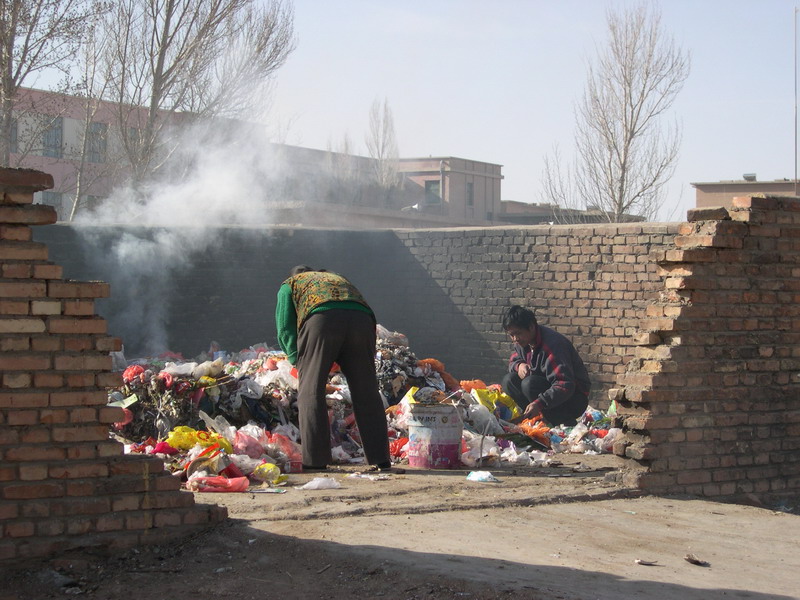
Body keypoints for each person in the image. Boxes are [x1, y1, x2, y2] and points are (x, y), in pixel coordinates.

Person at [275, 265, 393, 472]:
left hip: (322, 319)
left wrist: (298, 360)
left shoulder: (291, 284)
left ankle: (316, 461)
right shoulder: (336, 277)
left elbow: (285, 326)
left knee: (311, 391)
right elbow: (349, 310)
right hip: (363, 321)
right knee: (366, 390)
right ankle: (380, 459)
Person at [500, 305, 591, 426]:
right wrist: (519, 365)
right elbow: (513, 360)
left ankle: (560, 421)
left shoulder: (553, 345)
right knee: (509, 381)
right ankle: (536, 417)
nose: (515, 339)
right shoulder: (522, 342)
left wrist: (539, 403)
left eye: (518, 333)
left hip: (574, 399)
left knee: (529, 384)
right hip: (546, 392)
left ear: (531, 327)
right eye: (511, 335)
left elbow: (565, 385)